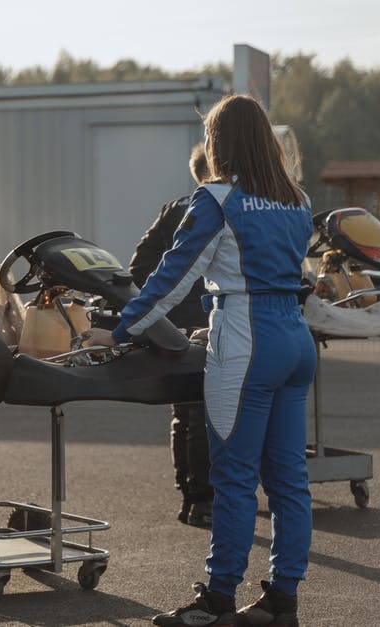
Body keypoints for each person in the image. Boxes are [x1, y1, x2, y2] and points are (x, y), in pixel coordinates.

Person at [86, 94, 315, 627]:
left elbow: (169, 279)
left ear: (219, 144)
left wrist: (117, 331)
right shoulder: (298, 200)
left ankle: (217, 602)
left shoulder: (216, 198)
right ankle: (283, 601)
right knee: (288, 481)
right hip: (294, 340)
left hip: (247, 345)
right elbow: (284, 276)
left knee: (232, 478)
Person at [127, 143, 214, 529]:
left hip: (170, 324)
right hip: (208, 322)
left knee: (184, 411)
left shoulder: (172, 209)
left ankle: (188, 494)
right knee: (203, 412)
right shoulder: (219, 210)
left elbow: (139, 264)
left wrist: (162, 309)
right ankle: (204, 499)